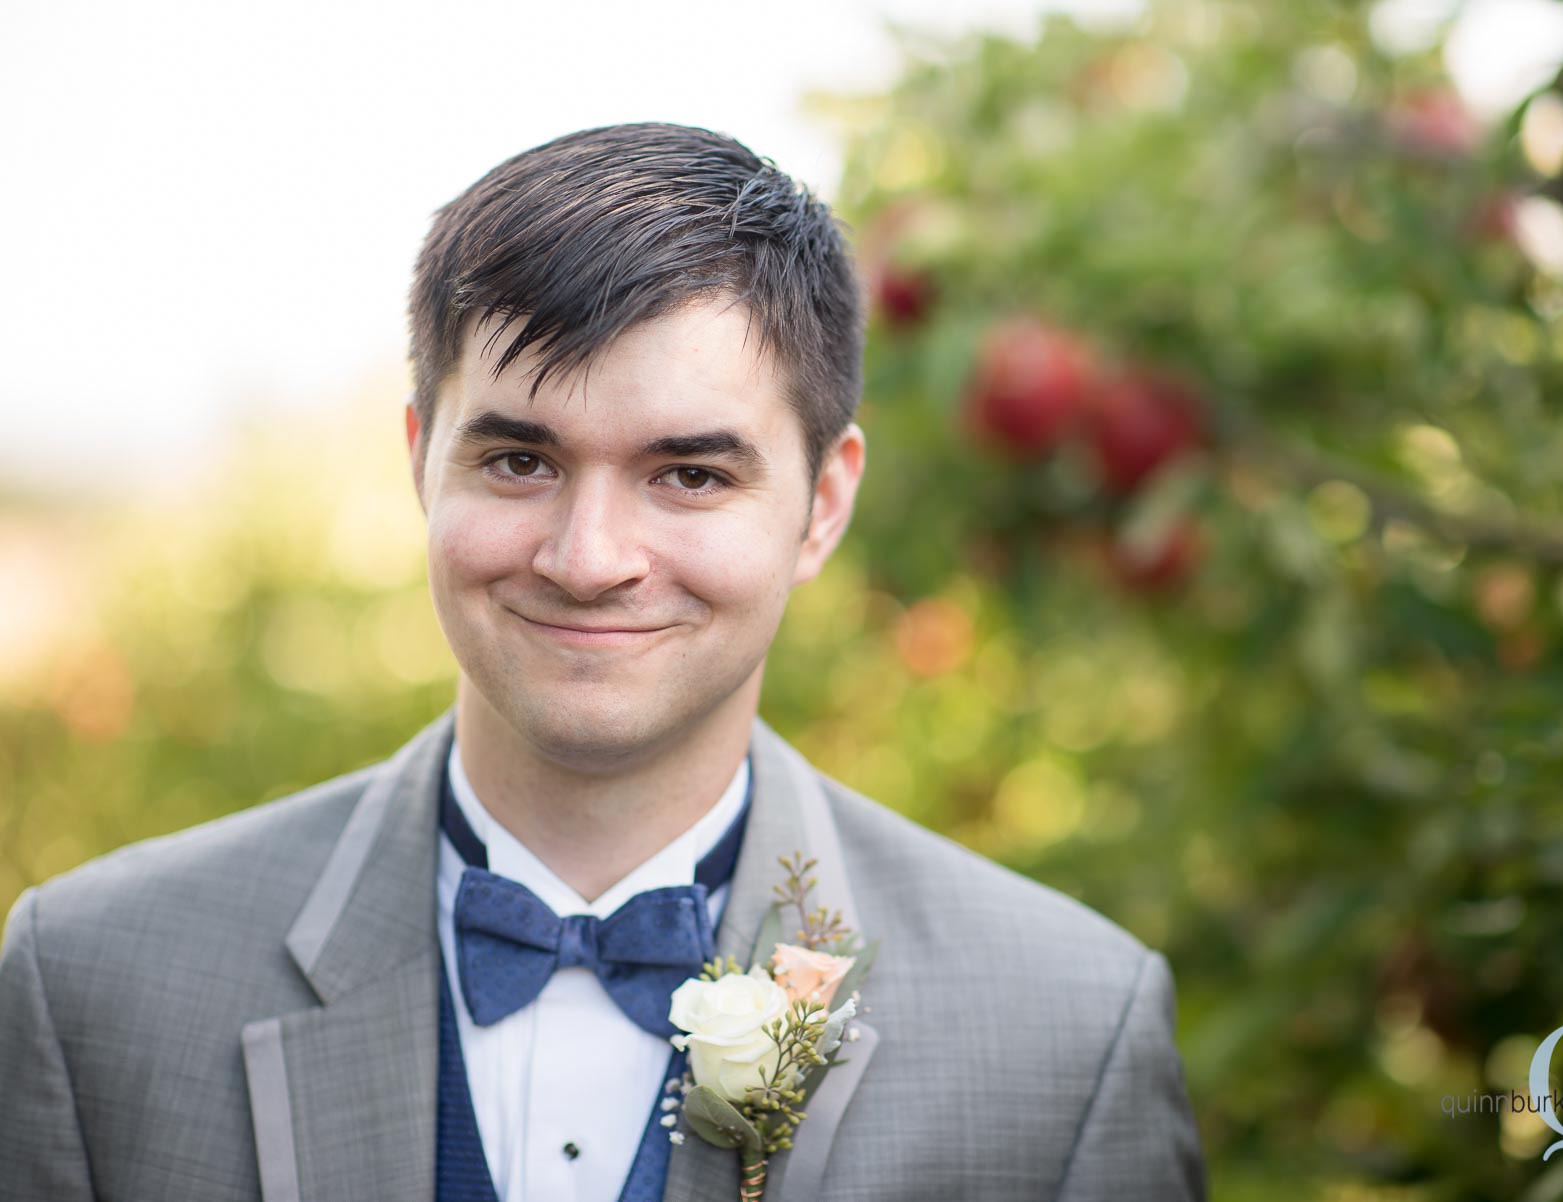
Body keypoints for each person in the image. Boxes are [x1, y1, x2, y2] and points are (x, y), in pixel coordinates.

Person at [0, 123, 1206, 1201]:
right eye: (521, 461)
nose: (588, 558)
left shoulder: (1065, 1033)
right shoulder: (91, 984)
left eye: (690, 473)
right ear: (423, 461)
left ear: (824, 504)